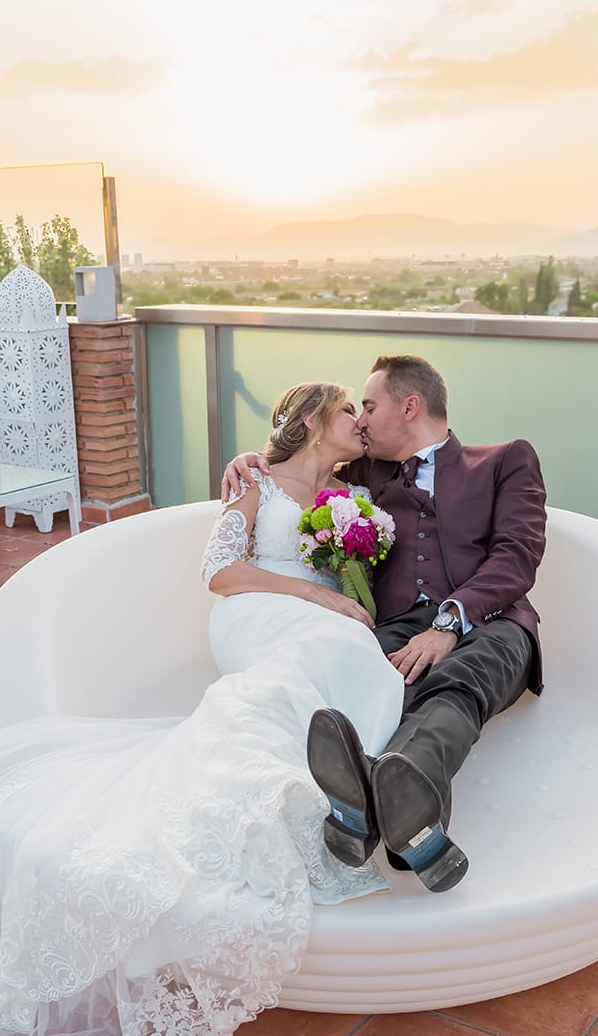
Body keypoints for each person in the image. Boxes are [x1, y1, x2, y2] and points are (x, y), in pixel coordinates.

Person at [0, 382, 405, 1036]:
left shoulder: (349, 495)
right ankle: (277, 778)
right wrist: (313, 596)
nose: (362, 423)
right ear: (319, 422)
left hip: (312, 617)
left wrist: (339, 598)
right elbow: (219, 572)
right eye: (350, 413)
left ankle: (309, 764)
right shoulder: (253, 481)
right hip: (256, 612)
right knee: (321, 651)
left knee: (346, 655)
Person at [222, 354, 547, 894]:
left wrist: (449, 622)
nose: (362, 420)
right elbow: (304, 464)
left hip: (491, 620)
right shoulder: (368, 474)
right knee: (358, 676)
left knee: (457, 685)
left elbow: (518, 553)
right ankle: (411, 824)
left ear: (410, 406)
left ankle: (379, 801)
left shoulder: (504, 460)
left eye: (369, 407)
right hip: (393, 626)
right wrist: (252, 458)